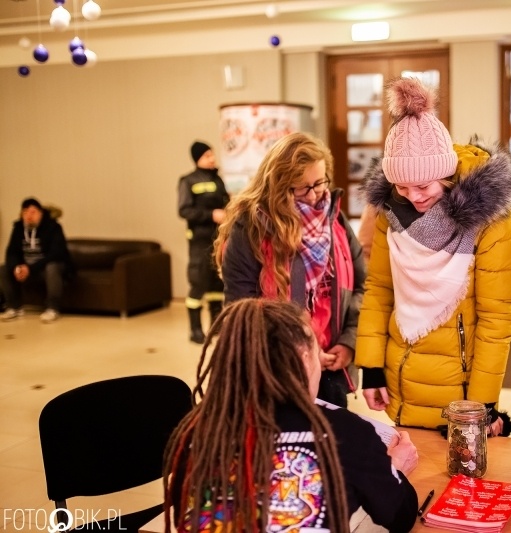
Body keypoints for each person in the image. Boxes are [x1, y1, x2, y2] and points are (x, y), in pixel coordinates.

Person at [163, 298, 419, 533]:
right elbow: (400, 517)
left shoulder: (199, 431)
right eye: (317, 351)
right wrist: (394, 470)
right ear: (304, 358)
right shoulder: (344, 433)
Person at [355, 76, 511, 433]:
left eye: (423, 186)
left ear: (445, 173)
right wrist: (370, 368)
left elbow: (496, 321)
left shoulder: (493, 222)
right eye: (401, 186)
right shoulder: (390, 213)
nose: (412, 196)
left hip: (459, 390)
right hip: (399, 377)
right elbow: (380, 290)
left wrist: (483, 403)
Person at [215, 132, 365, 408]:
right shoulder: (250, 227)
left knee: (331, 447)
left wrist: (348, 341)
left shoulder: (336, 221)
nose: (314, 195)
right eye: (301, 187)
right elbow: (240, 313)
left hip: (332, 369)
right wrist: (303, 350)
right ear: (279, 185)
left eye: (319, 182)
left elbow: (360, 287)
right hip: (275, 372)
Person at [178, 141, 229, 344]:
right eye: (207, 155)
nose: (212, 159)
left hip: (218, 239)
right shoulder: (188, 181)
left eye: (212, 155)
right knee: (198, 282)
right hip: (199, 240)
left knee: (217, 282)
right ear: (198, 158)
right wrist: (211, 215)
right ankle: (195, 330)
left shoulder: (217, 179)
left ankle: (216, 326)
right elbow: (184, 210)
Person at [0, 197, 73, 323]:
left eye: (33, 212)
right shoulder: (18, 228)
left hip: (44, 269)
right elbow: (11, 252)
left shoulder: (53, 227)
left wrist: (30, 268)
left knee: (52, 266)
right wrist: (17, 267)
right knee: (3, 268)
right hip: (27, 268)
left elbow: (56, 254)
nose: (29, 215)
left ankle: (52, 308)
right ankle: (13, 306)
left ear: (41, 213)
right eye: (25, 212)